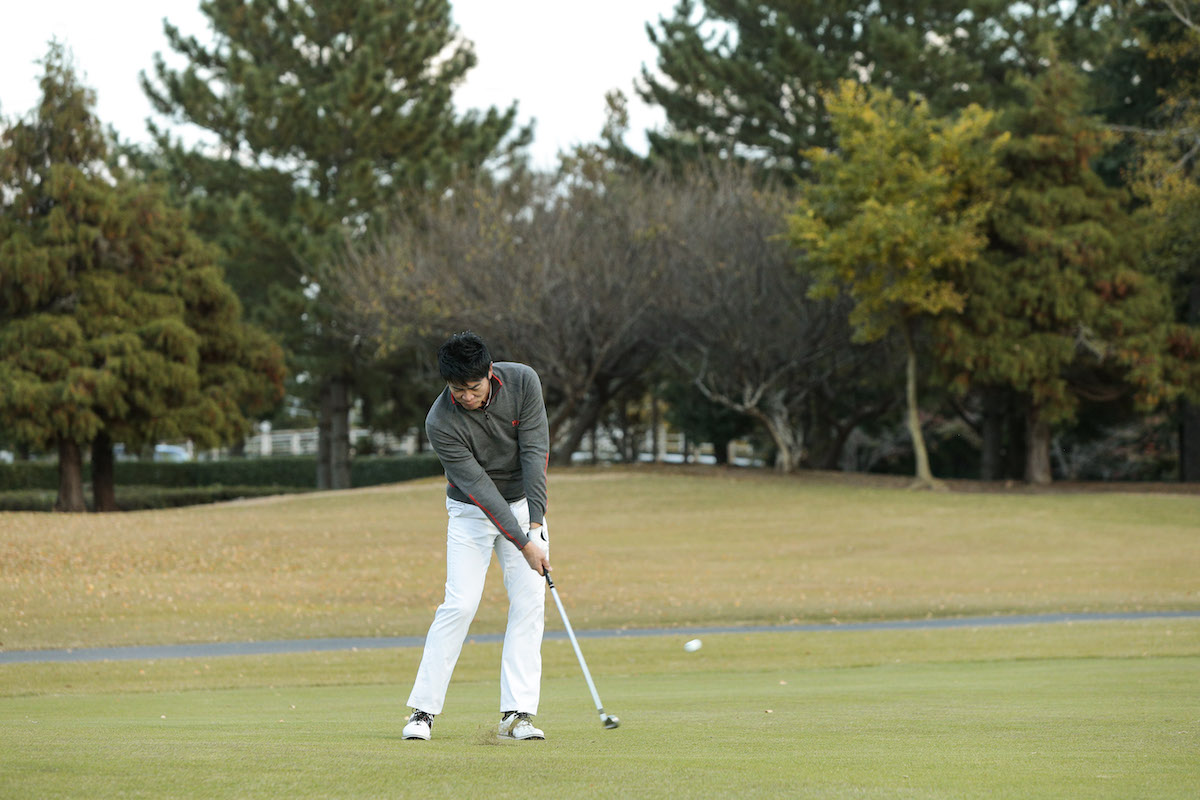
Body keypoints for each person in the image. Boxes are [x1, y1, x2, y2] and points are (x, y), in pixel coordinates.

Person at [402, 331, 552, 742]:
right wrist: (524, 544)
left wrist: (535, 525)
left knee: (529, 602)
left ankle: (518, 714)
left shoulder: (523, 382)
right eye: (457, 390)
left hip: (523, 506)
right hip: (470, 510)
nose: (466, 397)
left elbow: (535, 450)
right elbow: (480, 489)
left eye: (473, 387)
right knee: (461, 604)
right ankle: (423, 712)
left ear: (490, 373)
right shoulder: (440, 421)